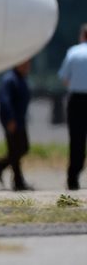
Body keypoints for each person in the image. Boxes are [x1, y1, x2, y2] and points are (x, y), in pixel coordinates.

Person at [0, 60, 33, 192]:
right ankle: (18, 182)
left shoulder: (21, 79)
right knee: (16, 149)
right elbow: (5, 100)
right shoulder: (9, 80)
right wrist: (10, 119)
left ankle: (1, 165)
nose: (28, 67)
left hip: (20, 120)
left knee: (21, 148)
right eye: (25, 64)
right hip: (12, 121)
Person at [60, 24, 87, 191]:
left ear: (82, 36)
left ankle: (73, 178)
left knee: (76, 141)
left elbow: (64, 78)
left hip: (76, 100)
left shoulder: (73, 52)